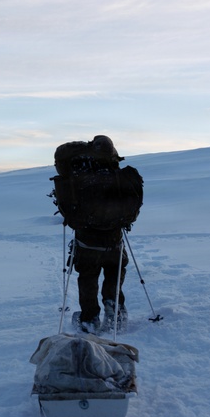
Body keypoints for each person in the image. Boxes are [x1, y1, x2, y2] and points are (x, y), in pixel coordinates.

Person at [52, 135, 143, 335]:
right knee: (114, 271)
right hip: (114, 238)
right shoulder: (114, 172)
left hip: (86, 240)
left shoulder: (76, 174)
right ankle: (114, 307)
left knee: (87, 277)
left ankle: (89, 320)